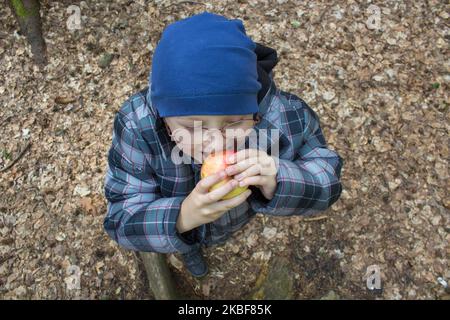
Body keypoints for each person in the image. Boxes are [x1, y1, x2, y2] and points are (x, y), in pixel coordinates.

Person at [104, 11, 344, 278]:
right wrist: (183, 217)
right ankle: (189, 248)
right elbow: (120, 218)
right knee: (183, 236)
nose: (215, 143)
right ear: (163, 116)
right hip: (177, 220)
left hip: (236, 219)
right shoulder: (137, 126)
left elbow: (328, 181)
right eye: (191, 126)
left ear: (254, 113)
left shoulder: (281, 115)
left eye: (234, 122)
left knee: (224, 229)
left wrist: (279, 178)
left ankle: (214, 236)